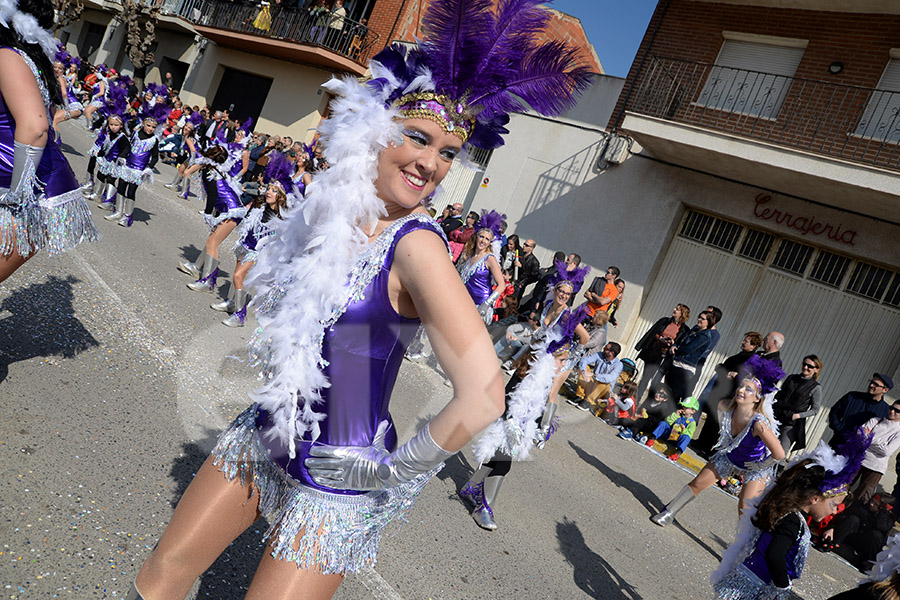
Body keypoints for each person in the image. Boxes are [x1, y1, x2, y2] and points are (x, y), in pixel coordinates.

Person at [126, 0, 589, 596]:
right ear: (377, 128)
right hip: (269, 427)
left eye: (448, 152)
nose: (430, 163)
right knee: (163, 570)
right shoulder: (339, 209)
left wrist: (392, 471)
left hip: (341, 470)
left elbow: (485, 393)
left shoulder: (418, 247)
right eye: (417, 137)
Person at [464, 301, 589, 531]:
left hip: (523, 420)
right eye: (561, 361)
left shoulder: (547, 376)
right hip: (512, 416)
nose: (563, 366)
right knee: (502, 461)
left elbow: (547, 399)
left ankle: (472, 486)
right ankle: (483, 508)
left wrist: (543, 426)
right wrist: (512, 421)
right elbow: (512, 398)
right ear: (547, 357)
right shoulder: (530, 373)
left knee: (499, 457)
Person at [0, 0, 99, 282]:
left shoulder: (8, 56)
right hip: (36, 183)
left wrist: (17, 193)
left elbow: (35, 128)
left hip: (24, 190)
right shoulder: (29, 61)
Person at [712, 431, 870, 599]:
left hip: (749, 579)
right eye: (833, 505)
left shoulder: (787, 513)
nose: (834, 511)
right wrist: (783, 585)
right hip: (751, 587)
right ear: (814, 498)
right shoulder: (793, 522)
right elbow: (775, 554)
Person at [651, 355, 786, 526]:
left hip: (755, 466)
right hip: (730, 456)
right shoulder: (724, 406)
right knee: (698, 482)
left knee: (745, 507)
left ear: (757, 398)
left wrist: (758, 467)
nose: (741, 390)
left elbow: (779, 454)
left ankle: (744, 546)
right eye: (741, 386)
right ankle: (669, 512)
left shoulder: (759, 423)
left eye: (748, 389)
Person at [213, 153, 291, 327]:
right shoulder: (260, 205)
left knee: (237, 276)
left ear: (281, 197)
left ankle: (240, 315)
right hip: (244, 245)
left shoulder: (282, 218)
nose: (269, 192)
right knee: (236, 275)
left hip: (257, 252)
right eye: (269, 189)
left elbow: (279, 241)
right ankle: (232, 302)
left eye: (274, 191)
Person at [179, 144, 248, 291]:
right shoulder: (215, 170)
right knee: (212, 239)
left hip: (232, 211)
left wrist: (208, 214)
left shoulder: (210, 171)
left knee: (212, 243)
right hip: (229, 209)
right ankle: (198, 268)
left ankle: (207, 281)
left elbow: (213, 195)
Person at [692, 331, 764, 457]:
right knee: (711, 417)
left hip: (729, 393)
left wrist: (733, 374)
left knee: (718, 421)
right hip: (720, 389)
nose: (743, 343)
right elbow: (724, 368)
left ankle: (710, 448)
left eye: (746, 341)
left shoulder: (749, 360)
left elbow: (743, 377)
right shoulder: (740, 355)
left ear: (753, 346)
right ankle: (701, 442)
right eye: (744, 340)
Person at [106, 116, 159, 227]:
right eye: (148, 125)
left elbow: (155, 157)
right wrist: (123, 156)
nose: (150, 129)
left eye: (153, 127)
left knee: (131, 191)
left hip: (138, 170)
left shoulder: (154, 140)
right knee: (121, 187)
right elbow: (129, 147)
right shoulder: (135, 133)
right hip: (127, 166)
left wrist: (149, 167)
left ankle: (127, 217)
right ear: (143, 124)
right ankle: (118, 212)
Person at [634, 303, 691, 403]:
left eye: (677, 309)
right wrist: (661, 338)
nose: (674, 310)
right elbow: (652, 333)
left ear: (682, 314)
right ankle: (636, 400)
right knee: (646, 377)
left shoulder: (685, 330)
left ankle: (647, 405)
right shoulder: (664, 321)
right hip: (653, 353)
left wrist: (673, 344)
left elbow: (681, 344)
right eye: (675, 308)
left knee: (655, 382)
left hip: (666, 358)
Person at [456, 209, 505, 323]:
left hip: (479, 305)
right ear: (476, 237)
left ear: (490, 243)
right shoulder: (470, 254)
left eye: (487, 239)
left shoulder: (490, 259)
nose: (483, 241)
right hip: (465, 300)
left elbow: (501, 285)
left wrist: (487, 304)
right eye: (481, 237)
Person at [849, 401, 900, 503]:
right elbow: (858, 436)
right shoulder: (875, 421)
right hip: (858, 459)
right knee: (841, 487)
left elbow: (887, 451)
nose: (892, 411)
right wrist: (879, 443)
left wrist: (869, 437)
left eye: (897, 410)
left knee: (862, 498)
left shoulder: (898, 431)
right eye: (891, 407)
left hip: (876, 467)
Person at [772, 355, 824, 454]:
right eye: (804, 364)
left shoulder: (816, 387)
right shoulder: (791, 378)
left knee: (781, 453)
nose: (805, 367)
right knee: (764, 447)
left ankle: (778, 469)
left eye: (810, 366)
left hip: (791, 423)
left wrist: (797, 416)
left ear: (816, 370)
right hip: (777, 416)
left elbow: (815, 409)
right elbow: (779, 394)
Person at [663, 310, 717, 404]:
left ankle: (668, 417)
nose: (699, 319)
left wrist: (676, 349)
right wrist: (673, 345)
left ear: (708, 322)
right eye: (699, 317)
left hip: (684, 368)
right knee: (666, 392)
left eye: (702, 319)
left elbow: (688, 349)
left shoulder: (704, 336)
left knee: (674, 396)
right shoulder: (694, 330)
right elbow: (680, 340)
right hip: (675, 363)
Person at [829, 374, 894, 449]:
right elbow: (835, 412)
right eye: (871, 382)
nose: (871, 385)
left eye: (876, 384)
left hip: (860, 451)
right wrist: (839, 428)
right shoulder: (852, 396)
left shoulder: (886, 410)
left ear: (885, 390)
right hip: (838, 443)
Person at [643, 395, 699, 461]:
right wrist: (675, 415)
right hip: (668, 435)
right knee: (663, 423)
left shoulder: (692, 423)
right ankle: (651, 439)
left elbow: (690, 434)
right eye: (683, 406)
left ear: (693, 411)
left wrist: (684, 430)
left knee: (687, 438)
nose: (683, 408)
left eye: (686, 407)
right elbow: (667, 421)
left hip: (676, 439)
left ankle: (677, 454)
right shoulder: (677, 414)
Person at [571, 341, 623, 413]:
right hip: (593, 385)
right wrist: (584, 371)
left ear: (612, 353)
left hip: (602, 393)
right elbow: (584, 360)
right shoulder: (600, 355)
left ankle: (588, 402)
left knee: (604, 381)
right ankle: (580, 396)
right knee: (584, 368)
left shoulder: (618, 365)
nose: (603, 349)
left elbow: (610, 378)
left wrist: (593, 375)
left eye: (606, 348)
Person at [51, 59, 83, 132]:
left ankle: (55, 142)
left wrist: (67, 108)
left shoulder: (60, 78)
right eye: (55, 67)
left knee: (54, 120)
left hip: (73, 107)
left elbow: (64, 93)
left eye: (60, 68)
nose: (57, 69)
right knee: (52, 119)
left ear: (63, 70)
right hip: (73, 106)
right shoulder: (59, 78)